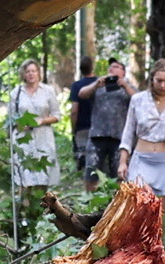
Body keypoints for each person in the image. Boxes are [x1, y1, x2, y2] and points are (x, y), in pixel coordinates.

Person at [7, 57, 68, 219]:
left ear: (39, 73)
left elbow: (57, 115)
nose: (31, 74)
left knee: (43, 176)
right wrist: (21, 123)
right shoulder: (16, 93)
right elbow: (11, 118)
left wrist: (41, 121)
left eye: (34, 71)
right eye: (28, 71)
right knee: (24, 177)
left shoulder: (47, 91)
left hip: (43, 139)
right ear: (23, 74)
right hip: (23, 139)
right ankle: (25, 214)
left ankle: (42, 212)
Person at [122, 58, 165, 197]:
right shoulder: (138, 99)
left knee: (164, 207)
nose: (162, 85)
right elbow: (128, 132)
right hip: (141, 159)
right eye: (159, 81)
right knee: (137, 203)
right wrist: (123, 162)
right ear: (152, 79)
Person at [77, 55, 130, 184]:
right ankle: (91, 196)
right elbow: (81, 94)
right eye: (110, 66)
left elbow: (139, 100)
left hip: (119, 137)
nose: (111, 68)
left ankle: (118, 197)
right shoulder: (99, 84)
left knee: (119, 175)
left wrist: (125, 85)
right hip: (97, 136)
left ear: (123, 72)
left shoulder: (127, 86)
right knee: (91, 172)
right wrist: (96, 85)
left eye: (116, 67)